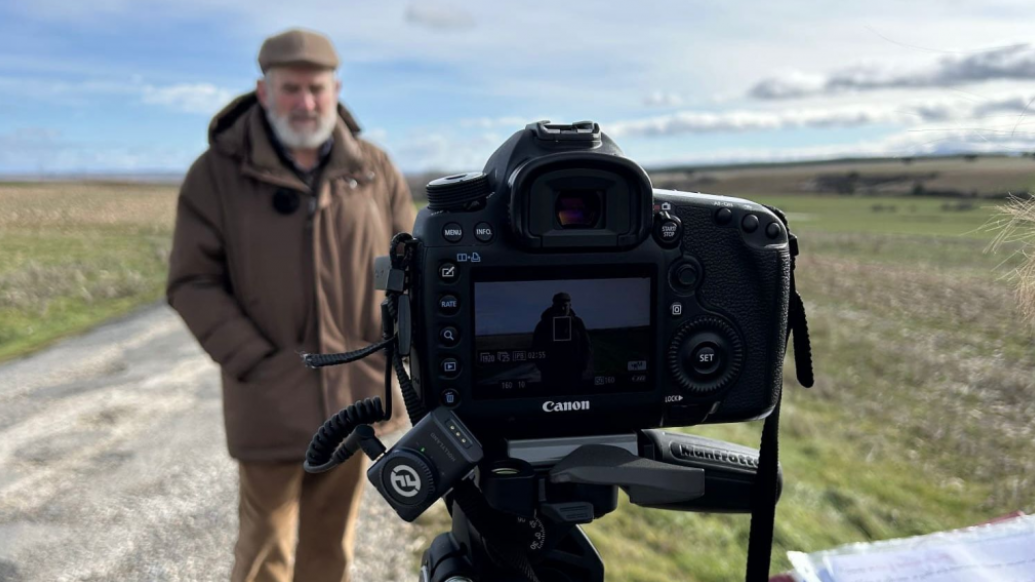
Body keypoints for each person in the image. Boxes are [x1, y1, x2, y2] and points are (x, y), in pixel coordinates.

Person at [166, 28, 416, 582]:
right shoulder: (216, 174)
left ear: (336, 89)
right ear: (263, 91)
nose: (305, 102)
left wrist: (395, 358)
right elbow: (191, 281)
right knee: (263, 550)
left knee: (332, 547)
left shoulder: (373, 169)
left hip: (356, 397)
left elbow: (411, 270)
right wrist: (258, 363)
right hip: (269, 400)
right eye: (291, 89)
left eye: (316, 89)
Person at [530, 292, 593, 388]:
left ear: (570, 306)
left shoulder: (577, 323)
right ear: (554, 306)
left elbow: (586, 345)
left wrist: (583, 364)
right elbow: (536, 347)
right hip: (551, 372)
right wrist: (543, 366)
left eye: (565, 306)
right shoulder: (544, 324)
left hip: (574, 370)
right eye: (559, 306)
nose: (562, 309)